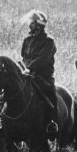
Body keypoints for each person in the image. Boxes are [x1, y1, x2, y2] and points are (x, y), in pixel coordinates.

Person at [20, 10, 58, 138]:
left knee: (50, 95)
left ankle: (52, 123)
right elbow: (24, 56)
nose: (30, 24)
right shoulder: (27, 40)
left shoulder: (49, 41)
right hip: (26, 74)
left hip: (43, 77)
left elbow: (43, 58)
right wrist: (24, 68)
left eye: (32, 22)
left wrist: (30, 68)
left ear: (39, 24)